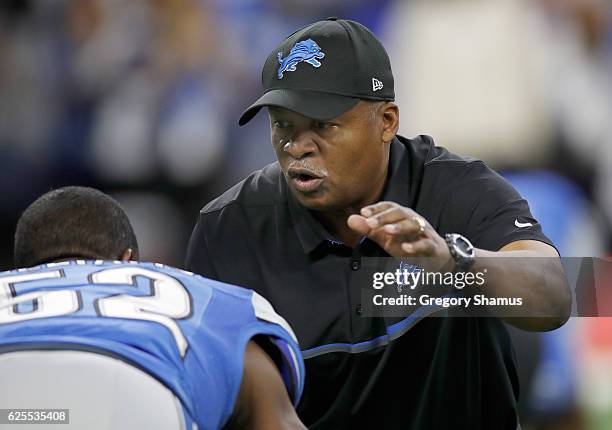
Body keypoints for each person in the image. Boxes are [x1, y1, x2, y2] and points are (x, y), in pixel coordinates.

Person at [185, 18, 572, 429]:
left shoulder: (456, 188)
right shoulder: (228, 228)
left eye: (321, 125)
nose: (297, 146)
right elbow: (204, 387)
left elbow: (553, 299)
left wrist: (455, 264)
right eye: (283, 124)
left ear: (386, 121)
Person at [0, 186, 306, 430]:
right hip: (132, 395)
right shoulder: (199, 293)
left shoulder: (7, 288)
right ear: (128, 261)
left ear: (25, 272)